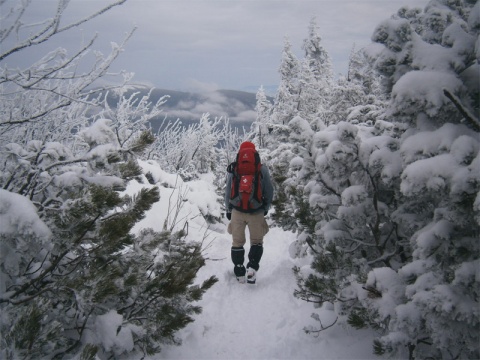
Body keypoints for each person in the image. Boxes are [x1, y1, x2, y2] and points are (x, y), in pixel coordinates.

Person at [225, 141, 274, 284]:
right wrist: (265, 208)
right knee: (257, 242)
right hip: (256, 211)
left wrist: (228, 209)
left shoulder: (234, 168)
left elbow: (228, 190)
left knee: (237, 242)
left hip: (237, 211)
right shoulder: (261, 169)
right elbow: (269, 190)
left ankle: (239, 271)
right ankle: (252, 268)